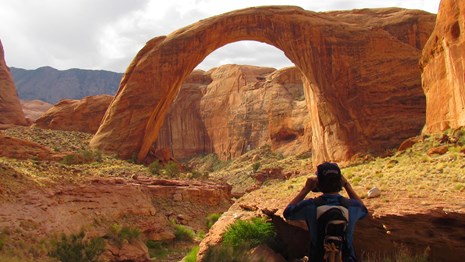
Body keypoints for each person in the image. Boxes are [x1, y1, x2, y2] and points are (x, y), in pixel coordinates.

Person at [283, 162, 367, 262]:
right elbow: (363, 210)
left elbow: (287, 213)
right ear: (340, 181)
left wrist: (306, 189)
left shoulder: (310, 206)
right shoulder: (353, 207)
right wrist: (347, 185)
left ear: (318, 183)